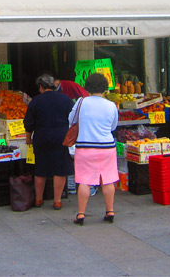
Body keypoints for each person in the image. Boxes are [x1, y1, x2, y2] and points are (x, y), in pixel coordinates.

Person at [70, 73, 119, 226]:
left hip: (85, 147)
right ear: (104, 87)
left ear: (88, 87)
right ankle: (110, 211)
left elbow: (71, 120)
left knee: (84, 180)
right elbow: (113, 126)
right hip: (107, 147)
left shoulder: (81, 102)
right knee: (108, 179)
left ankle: (81, 214)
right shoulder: (111, 105)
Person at [24, 74, 74, 210]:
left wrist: (28, 137)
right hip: (61, 137)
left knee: (41, 168)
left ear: (41, 86)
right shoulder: (66, 99)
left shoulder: (36, 101)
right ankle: (57, 201)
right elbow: (74, 118)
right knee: (60, 169)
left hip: (42, 137)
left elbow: (29, 122)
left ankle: (38, 199)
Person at [55, 78, 94, 196]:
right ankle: (88, 186)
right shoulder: (108, 105)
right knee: (81, 159)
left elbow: (72, 118)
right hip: (87, 135)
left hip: (76, 130)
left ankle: (74, 186)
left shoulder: (80, 101)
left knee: (74, 157)